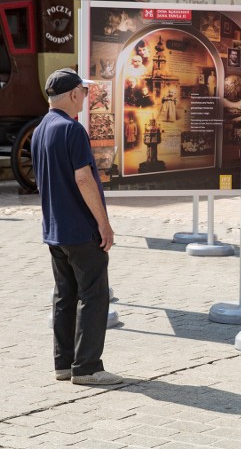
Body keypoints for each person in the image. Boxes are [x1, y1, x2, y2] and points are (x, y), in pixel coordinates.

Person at [32, 68, 123, 386]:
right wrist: (104, 223)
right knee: (94, 295)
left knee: (64, 296)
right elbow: (83, 178)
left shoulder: (41, 129)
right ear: (72, 94)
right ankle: (87, 368)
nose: (86, 96)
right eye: (83, 91)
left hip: (55, 229)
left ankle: (64, 364)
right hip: (81, 229)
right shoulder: (72, 129)